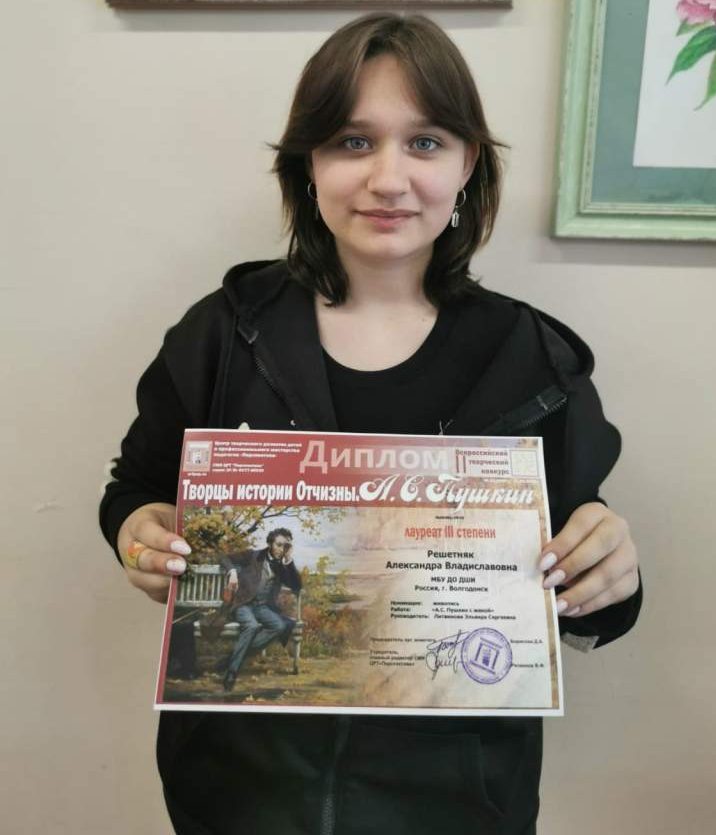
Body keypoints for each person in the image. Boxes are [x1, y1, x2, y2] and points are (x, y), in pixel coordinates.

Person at [100, 13, 641, 835]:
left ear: (468, 164)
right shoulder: (224, 332)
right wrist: (139, 530)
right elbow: (134, 488)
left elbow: (587, 598)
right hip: (237, 798)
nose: (389, 178)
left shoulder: (530, 356)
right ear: (308, 164)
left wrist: (610, 573)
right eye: (353, 141)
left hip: (459, 805)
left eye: (425, 142)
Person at [220, 527, 301, 691]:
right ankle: (231, 672)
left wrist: (288, 560)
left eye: (285, 546)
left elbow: (296, 586)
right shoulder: (253, 556)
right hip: (243, 603)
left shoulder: (282, 565)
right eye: (279, 545)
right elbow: (224, 557)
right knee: (251, 626)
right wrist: (233, 571)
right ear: (270, 544)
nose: (281, 549)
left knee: (280, 626)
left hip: (262, 606)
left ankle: (232, 658)